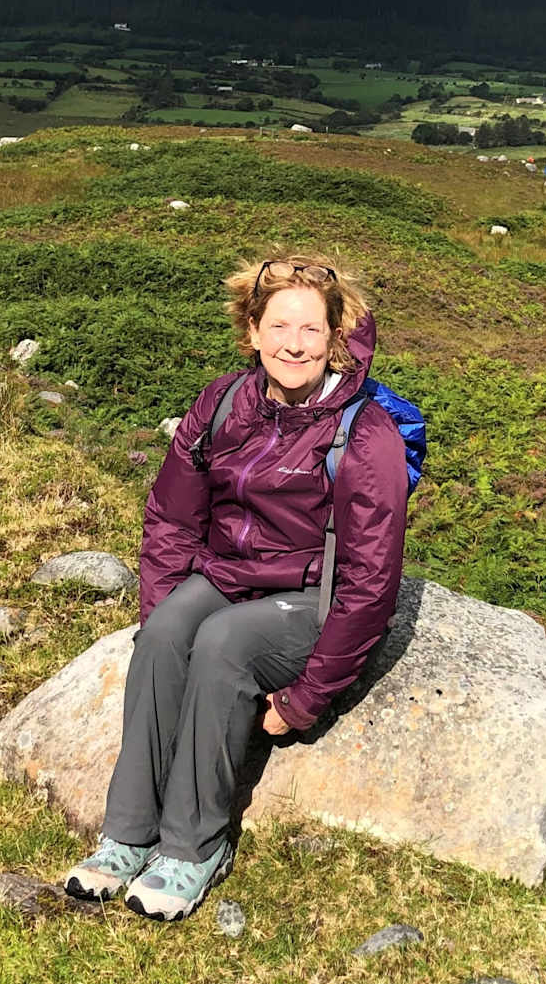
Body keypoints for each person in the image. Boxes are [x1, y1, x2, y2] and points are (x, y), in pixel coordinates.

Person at [65, 256, 408, 921]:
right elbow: (171, 517)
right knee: (166, 630)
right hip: (229, 575)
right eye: (279, 324)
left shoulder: (364, 434)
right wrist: (159, 609)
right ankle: (127, 835)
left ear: (334, 336)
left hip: (311, 597)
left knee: (223, 642)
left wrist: (304, 701)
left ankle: (195, 847)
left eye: (312, 328)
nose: (294, 342)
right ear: (252, 330)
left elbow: (370, 585)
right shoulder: (223, 401)